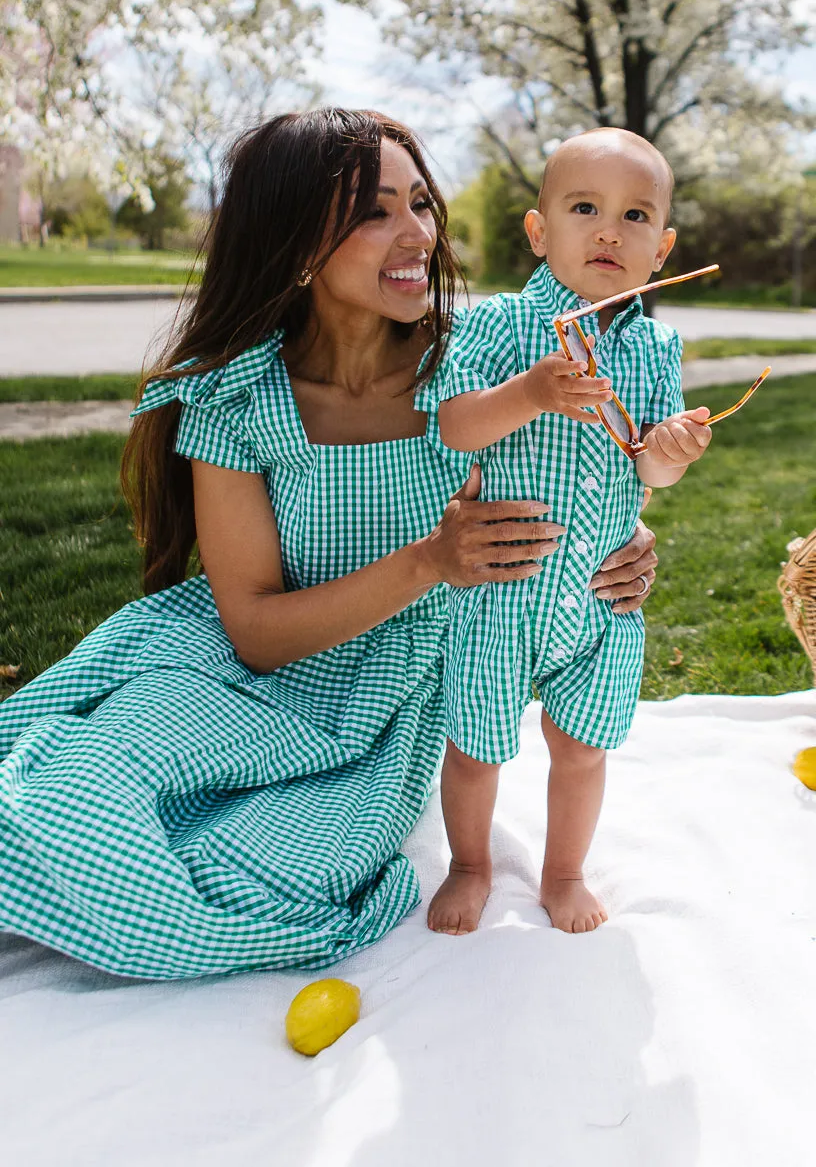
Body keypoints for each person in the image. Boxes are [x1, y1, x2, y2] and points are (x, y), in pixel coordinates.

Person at [0, 111, 658, 980]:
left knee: (267, 876)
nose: (418, 232)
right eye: (374, 212)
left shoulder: (484, 367)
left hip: (386, 693)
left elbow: (589, 465)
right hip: (240, 667)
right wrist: (432, 559)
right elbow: (257, 634)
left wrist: (630, 535)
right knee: (72, 787)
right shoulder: (238, 400)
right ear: (295, 240)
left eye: (421, 203)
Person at [415, 128, 711, 938]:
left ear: (664, 247)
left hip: (597, 598)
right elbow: (455, 426)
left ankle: (563, 871)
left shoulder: (653, 347)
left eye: (636, 216)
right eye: (586, 208)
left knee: (581, 749)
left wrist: (670, 454)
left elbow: (646, 466)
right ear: (539, 230)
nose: (610, 231)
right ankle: (471, 864)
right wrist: (533, 393)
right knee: (477, 746)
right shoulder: (500, 328)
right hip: (503, 592)